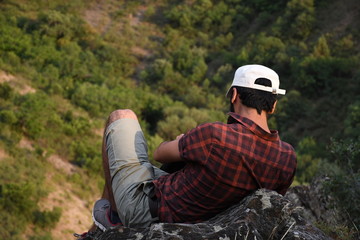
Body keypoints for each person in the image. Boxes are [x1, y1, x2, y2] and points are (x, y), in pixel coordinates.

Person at [75, 64, 297, 239]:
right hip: (205, 218)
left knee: (121, 117)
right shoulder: (287, 159)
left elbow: (160, 154)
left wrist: (182, 140)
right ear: (273, 105)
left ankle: (112, 219)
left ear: (234, 95)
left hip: (147, 212)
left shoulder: (215, 134)